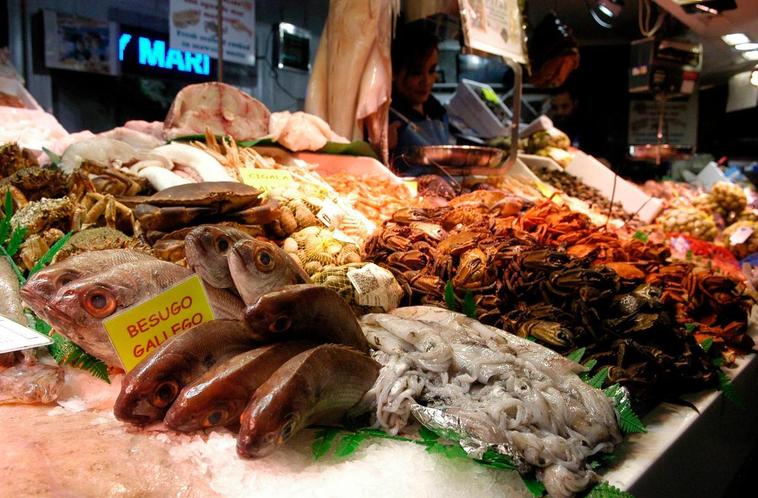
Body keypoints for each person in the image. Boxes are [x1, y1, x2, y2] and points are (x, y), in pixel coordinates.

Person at [388, 23, 452, 162]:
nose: (427, 81)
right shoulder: (387, 115)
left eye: (431, 70)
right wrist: (382, 149)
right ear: (395, 72)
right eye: (416, 73)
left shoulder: (436, 110)